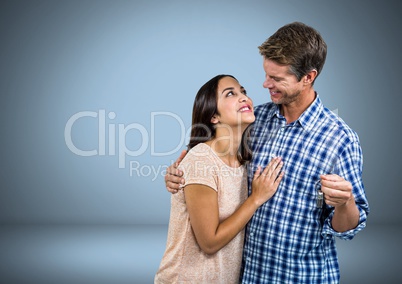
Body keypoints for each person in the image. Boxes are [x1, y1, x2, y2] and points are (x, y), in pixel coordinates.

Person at [164, 22, 370, 283]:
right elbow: (214, 163)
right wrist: (179, 178)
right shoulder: (253, 120)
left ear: (308, 77)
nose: (265, 84)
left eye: (277, 79)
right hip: (248, 276)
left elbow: (348, 228)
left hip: (301, 277)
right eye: (266, 74)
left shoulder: (340, 139)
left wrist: (345, 203)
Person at [154, 74, 284, 283]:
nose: (244, 97)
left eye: (243, 91)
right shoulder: (202, 160)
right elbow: (209, 242)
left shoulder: (245, 162)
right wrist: (256, 199)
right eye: (231, 93)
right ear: (214, 117)